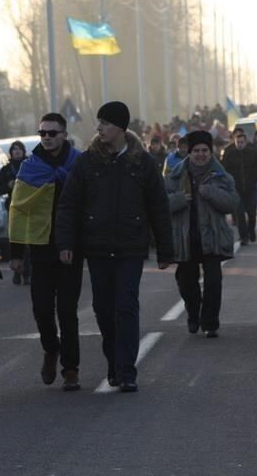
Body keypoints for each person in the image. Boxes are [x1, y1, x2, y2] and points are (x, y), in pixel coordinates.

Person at [56, 101, 174, 392]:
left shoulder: (142, 162)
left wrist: (165, 249)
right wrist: (66, 242)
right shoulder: (87, 162)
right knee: (104, 309)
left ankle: (126, 370)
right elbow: (69, 205)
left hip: (130, 247)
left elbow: (158, 207)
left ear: (121, 128)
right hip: (96, 247)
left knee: (126, 306)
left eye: (105, 123)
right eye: (99, 123)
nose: (99, 129)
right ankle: (113, 360)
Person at [8, 113, 84, 391]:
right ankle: (51, 349)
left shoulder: (78, 164)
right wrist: (15, 253)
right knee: (42, 309)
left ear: (64, 134)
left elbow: (87, 206)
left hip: (71, 251)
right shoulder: (30, 168)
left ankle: (71, 368)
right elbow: (19, 210)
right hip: (39, 249)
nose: (47, 138)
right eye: (42, 133)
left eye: (53, 133)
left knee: (67, 310)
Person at [165, 131, 238, 338]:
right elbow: (160, 204)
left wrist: (211, 193)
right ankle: (193, 313)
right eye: (196, 150)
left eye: (204, 150)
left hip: (213, 238)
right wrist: (180, 199)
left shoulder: (221, 176)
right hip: (186, 238)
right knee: (186, 282)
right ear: (189, 152)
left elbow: (232, 203)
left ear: (211, 151)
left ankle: (210, 322)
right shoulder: (174, 176)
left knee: (214, 282)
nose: (200, 154)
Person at [0, 140, 31, 285]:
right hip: (13, 208)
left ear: (23, 151)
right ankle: (17, 271)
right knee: (15, 241)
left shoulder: (30, 166)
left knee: (28, 243)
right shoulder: (7, 169)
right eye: (14, 149)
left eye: (19, 149)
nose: (16, 151)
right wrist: (8, 185)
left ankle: (27, 273)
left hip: (29, 207)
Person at [221, 128, 257, 245]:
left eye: (242, 142)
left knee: (251, 213)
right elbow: (224, 169)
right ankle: (244, 237)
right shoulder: (230, 154)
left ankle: (251, 231)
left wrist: (255, 179)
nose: (240, 144)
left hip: (250, 188)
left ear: (246, 142)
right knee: (239, 214)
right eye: (237, 142)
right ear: (235, 142)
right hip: (236, 189)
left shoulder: (252, 153)